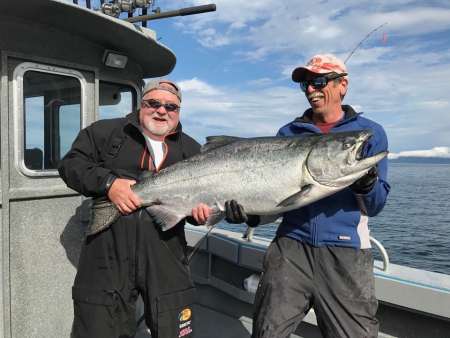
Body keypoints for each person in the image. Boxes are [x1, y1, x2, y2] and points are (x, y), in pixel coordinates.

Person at [227, 54, 390, 337]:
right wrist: (250, 215)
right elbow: (277, 199)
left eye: (319, 81)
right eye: (306, 85)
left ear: (343, 85)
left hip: (347, 253)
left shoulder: (370, 134)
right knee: (267, 332)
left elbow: (376, 205)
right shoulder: (288, 133)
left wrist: (367, 186)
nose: (312, 90)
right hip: (289, 248)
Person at [58, 78, 211, 338]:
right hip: (107, 256)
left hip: (167, 255)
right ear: (142, 105)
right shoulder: (105, 133)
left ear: (178, 112)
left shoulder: (193, 150)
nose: (162, 110)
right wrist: (109, 183)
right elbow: (70, 165)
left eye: (171, 107)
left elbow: (198, 205)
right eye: (154, 103)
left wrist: (200, 216)